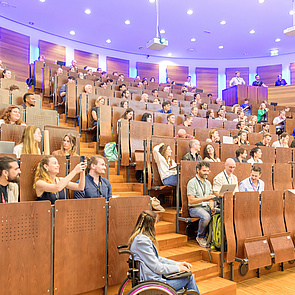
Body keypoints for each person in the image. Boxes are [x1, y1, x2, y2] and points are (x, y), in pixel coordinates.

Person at [128, 210, 200, 293]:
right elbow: (157, 267)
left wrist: (177, 264)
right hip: (153, 283)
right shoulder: (142, 242)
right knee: (189, 277)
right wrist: (178, 268)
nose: (156, 225)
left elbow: (156, 259)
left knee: (185, 275)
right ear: (150, 225)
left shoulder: (139, 238)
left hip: (151, 278)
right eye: (156, 222)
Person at [187, 161, 216, 247]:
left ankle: (214, 237)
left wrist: (212, 207)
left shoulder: (208, 183)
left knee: (222, 212)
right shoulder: (192, 182)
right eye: (204, 171)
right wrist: (204, 198)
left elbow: (211, 199)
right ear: (198, 170)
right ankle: (200, 236)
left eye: (208, 171)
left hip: (206, 207)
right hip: (195, 208)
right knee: (206, 217)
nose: (206, 173)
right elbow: (191, 201)